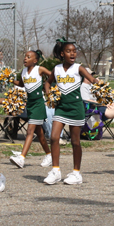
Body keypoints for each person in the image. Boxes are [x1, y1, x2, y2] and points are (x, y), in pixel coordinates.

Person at [43, 39, 98, 185]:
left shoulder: (79, 68)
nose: (72, 53)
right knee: (54, 137)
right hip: (61, 108)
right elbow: (47, 82)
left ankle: (76, 173)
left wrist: (102, 87)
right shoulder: (57, 69)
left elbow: (92, 79)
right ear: (62, 54)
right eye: (69, 51)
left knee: (75, 142)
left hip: (75, 108)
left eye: (74, 51)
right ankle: (55, 171)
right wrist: (50, 95)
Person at [9, 50, 53, 169]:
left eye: (28, 57)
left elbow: (52, 75)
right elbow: (22, 84)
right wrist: (10, 80)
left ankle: (22, 158)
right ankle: (49, 155)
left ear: (35, 60)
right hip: (30, 104)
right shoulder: (23, 71)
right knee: (39, 133)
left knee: (30, 131)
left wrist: (49, 86)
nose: (25, 59)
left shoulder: (39, 69)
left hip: (39, 103)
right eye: (25, 57)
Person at [81, 74, 114, 143]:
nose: (92, 77)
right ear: (85, 77)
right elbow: (86, 100)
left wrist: (108, 102)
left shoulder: (92, 86)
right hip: (94, 111)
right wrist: (103, 103)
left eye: (92, 75)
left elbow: (103, 96)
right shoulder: (83, 86)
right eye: (90, 75)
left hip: (101, 107)